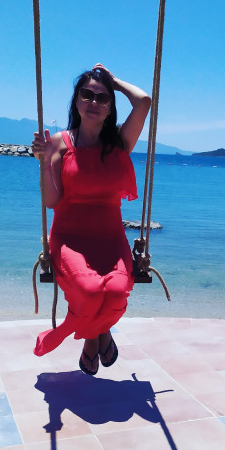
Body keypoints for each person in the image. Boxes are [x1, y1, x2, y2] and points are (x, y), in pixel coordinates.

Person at [31, 63, 151, 375]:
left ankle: (92, 334)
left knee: (115, 292)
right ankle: (99, 333)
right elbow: (51, 201)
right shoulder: (58, 143)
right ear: (76, 100)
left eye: (102, 97)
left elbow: (143, 101)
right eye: (87, 94)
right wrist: (44, 162)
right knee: (88, 292)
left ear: (110, 107)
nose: (94, 102)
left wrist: (113, 81)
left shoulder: (119, 144)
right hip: (69, 238)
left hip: (110, 239)